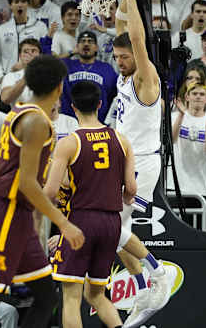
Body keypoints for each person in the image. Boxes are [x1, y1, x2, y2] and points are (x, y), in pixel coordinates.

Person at [0, 55, 84, 328]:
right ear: (60, 87)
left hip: (16, 215)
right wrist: (64, 223)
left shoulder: (17, 111)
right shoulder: (37, 123)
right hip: (8, 214)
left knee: (46, 296)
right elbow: (28, 183)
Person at [43, 80, 137, 328]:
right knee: (95, 293)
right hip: (111, 223)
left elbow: (50, 192)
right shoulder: (121, 139)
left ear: (72, 107)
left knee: (71, 297)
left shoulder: (69, 143)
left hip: (81, 220)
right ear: (100, 104)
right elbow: (132, 189)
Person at [112, 0, 177, 328]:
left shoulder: (146, 78)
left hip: (142, 164)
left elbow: (136, 35)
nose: (121, 62)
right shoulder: (125, 76)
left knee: (113, 229)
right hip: (124, 162)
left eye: (125, 57)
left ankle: (157, 274)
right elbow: (124, 25)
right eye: (118, 57)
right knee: (114, 236)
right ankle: (142, 286)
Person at [60, 31, 118, 123]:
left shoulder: (107, 69)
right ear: (77, 47)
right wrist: (71, 52)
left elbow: (114, 95)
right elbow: (49, 63)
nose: (86, 44)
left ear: (96, 47)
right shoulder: (66, 65)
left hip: (98, 123)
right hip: (70, 123)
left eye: (90, 41)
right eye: (83, 41)